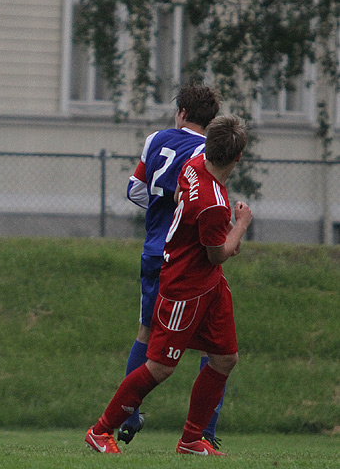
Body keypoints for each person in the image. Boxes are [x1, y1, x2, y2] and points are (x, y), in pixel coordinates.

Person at [85, 114, 251, 456]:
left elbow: (178, 199)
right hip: (185, 288)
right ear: (238, 158)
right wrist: (242, 224)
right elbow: (219, 253)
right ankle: (101, 431)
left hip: (210, 286)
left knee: (224, 359)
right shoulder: (215, 206)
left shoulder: (193, 166)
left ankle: (191, 440)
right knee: (160, 366)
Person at [117, 84, 222, 446]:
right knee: (215, 348)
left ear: (180, 113)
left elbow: (134, 189)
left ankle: (127, 416)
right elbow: (204, 202)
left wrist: (163, 200)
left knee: (146, 334)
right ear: (210, 121)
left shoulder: (154, 140)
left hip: (152, 252)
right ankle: (204, 433)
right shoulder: (209, 151)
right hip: (188, 257)